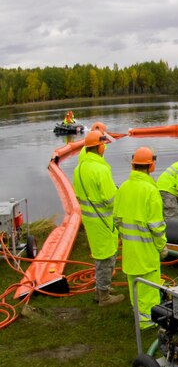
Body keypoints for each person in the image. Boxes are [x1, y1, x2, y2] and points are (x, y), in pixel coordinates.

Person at [114, 147, 167, 329]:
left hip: (130, 250)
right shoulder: (151, 191)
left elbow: (116, 219)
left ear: (133, 165)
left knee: (134, 285)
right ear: (151, 166)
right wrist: (162, 247)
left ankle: (139, 315)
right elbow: (157, 227)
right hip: (147, 251)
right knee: (149, 287)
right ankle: (147, 322)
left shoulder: (124, 187)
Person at [72, 130, 124, 307]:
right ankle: (104, 296)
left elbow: (78, 195)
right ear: (100, 147)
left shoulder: (79, 168)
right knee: (106, 257)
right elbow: (111, 200)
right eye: (104, 145)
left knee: (100, 255)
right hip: (104, 220)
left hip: (90, 220)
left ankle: (101, 289)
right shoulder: (101, 169)